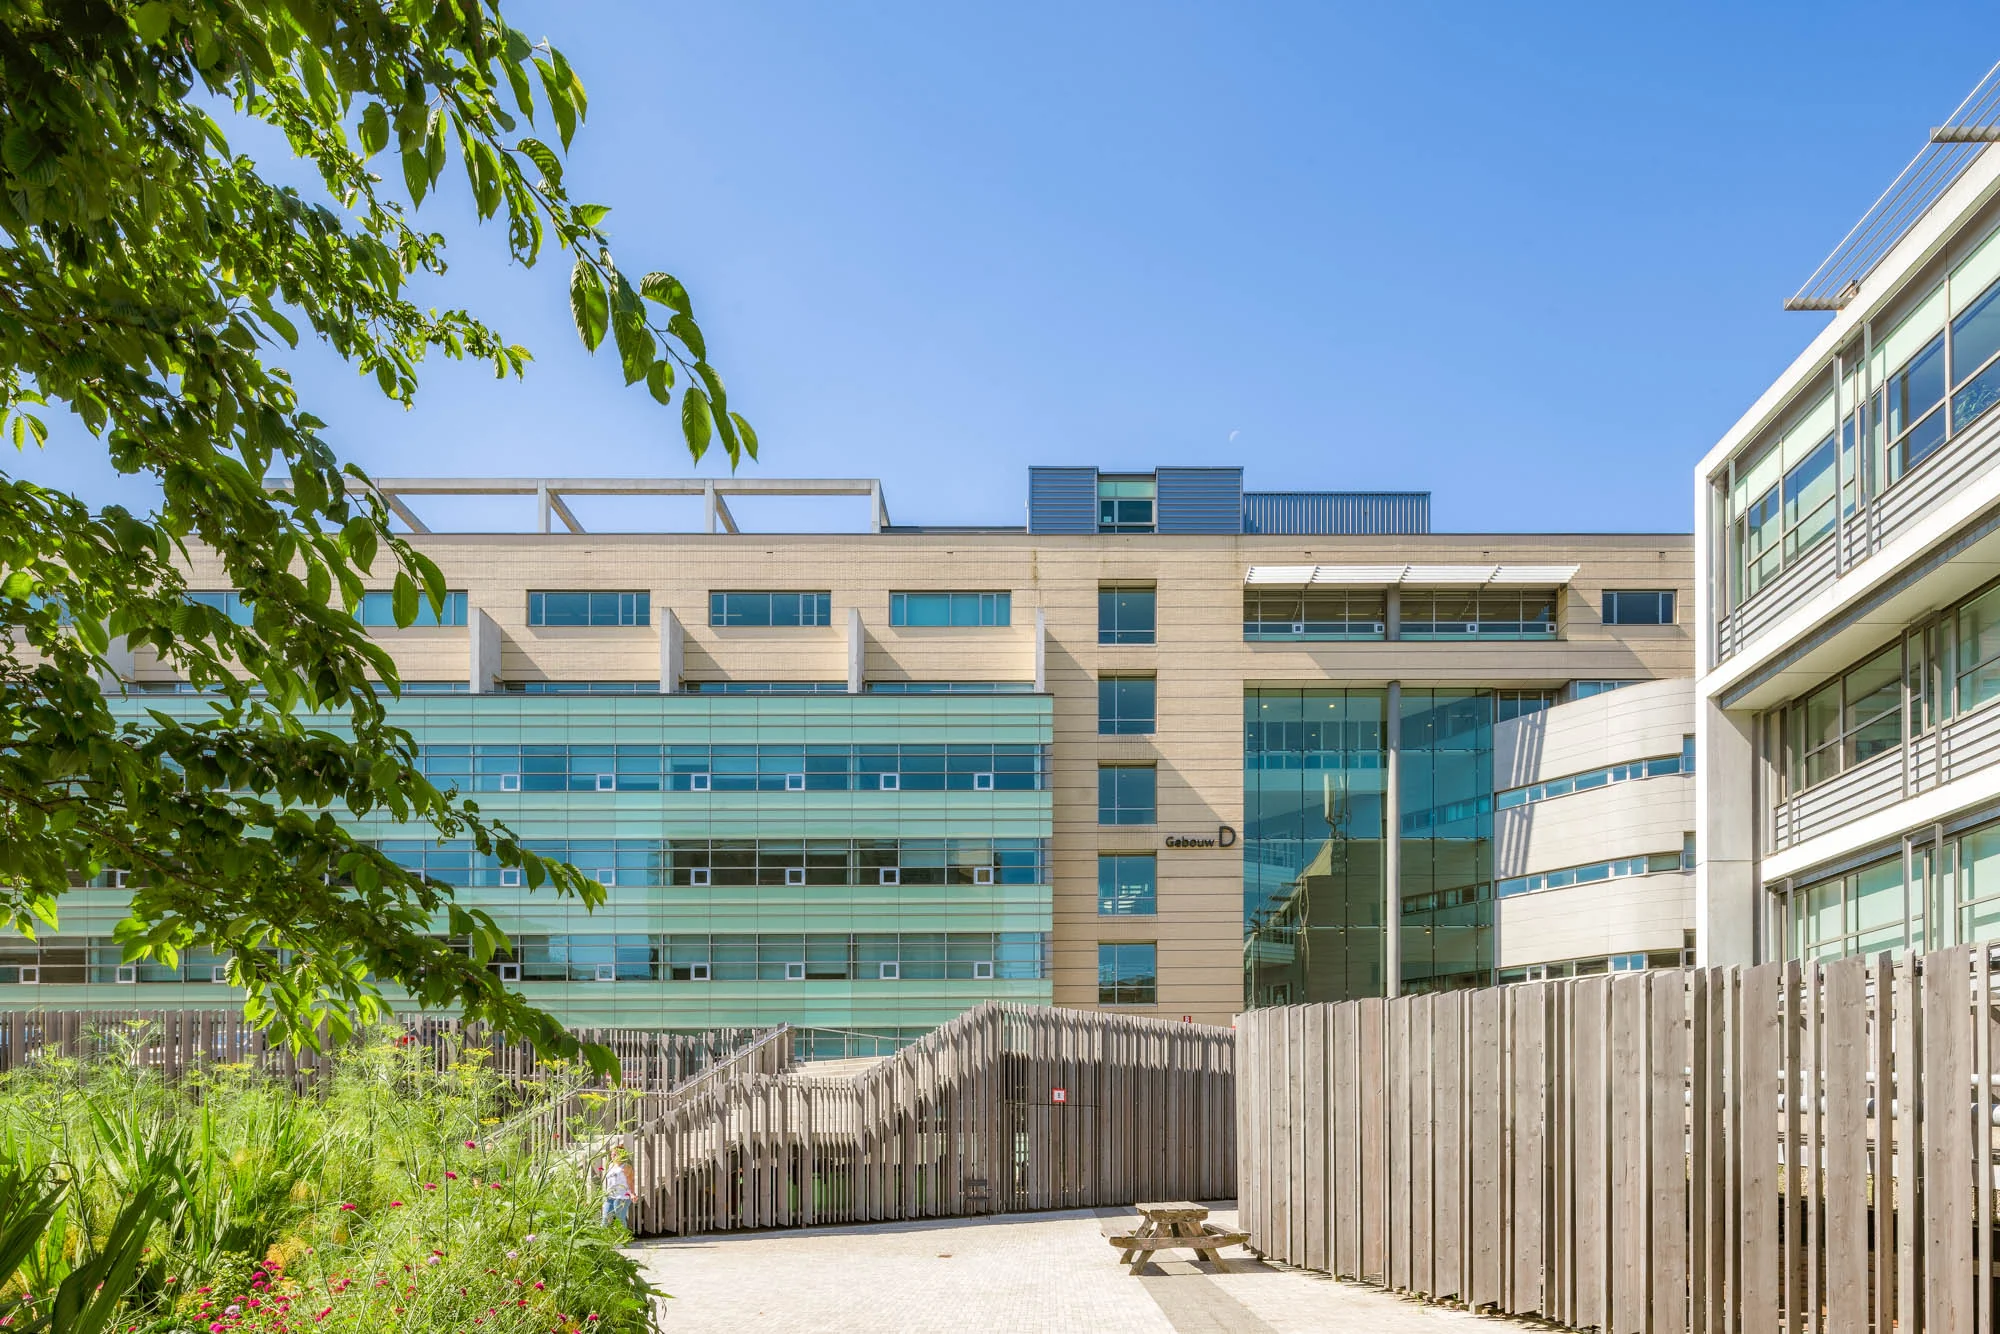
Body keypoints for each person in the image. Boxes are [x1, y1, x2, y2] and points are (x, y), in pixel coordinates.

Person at [600, 1147, 634, 1231]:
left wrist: (632, 1194)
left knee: (620, 1218)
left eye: (615, 1154)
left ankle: (623, 1238)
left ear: (621, 1155)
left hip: (622, 1196)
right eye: (611, 1154)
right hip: (610, 1195)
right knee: (605, 1217)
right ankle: (603, 1239)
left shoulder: (626, 1167)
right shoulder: (611, 1165)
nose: (612, 1156)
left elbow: (630, 1182)